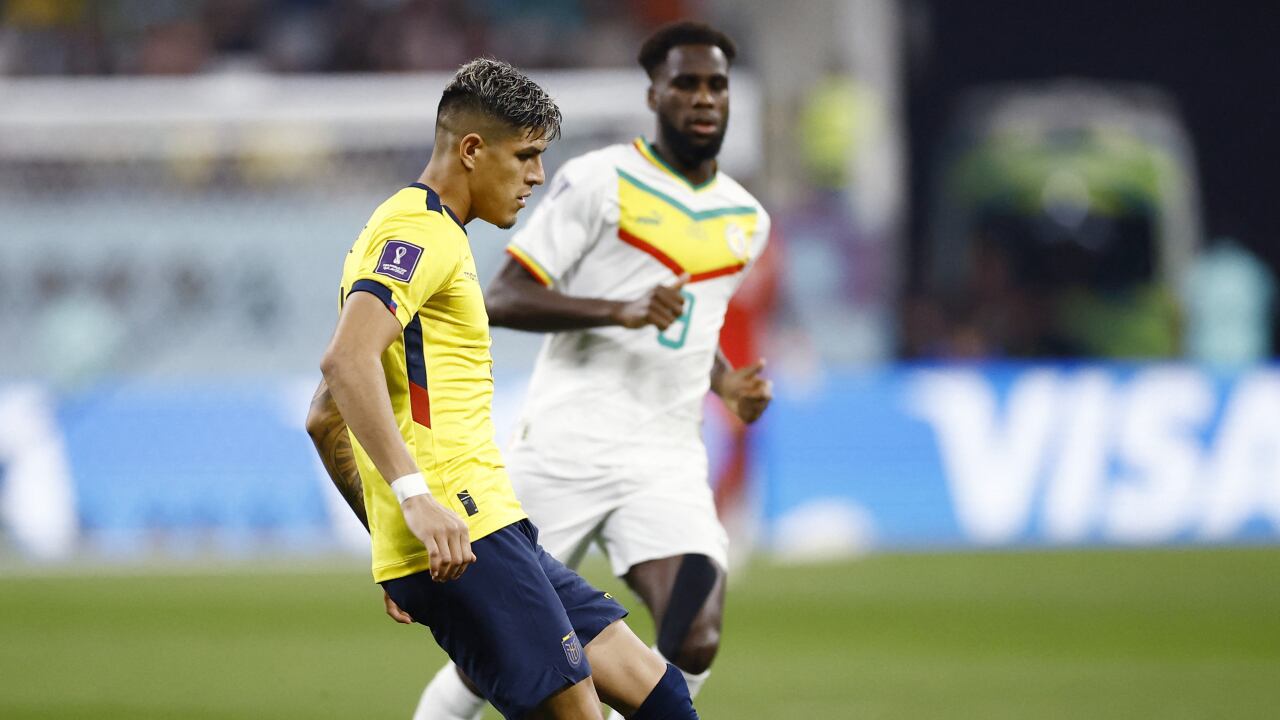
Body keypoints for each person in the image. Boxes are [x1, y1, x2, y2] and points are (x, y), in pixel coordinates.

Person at [308, 58, 699, 720]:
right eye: (525, 156)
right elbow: (345, 365)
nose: (537, 178)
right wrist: (415, 508)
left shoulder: (419, 231)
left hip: (482, 526)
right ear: (470, 150)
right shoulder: (417, 231)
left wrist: (399, 539)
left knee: (659, 694)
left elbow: (324, 419)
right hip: (466, 524)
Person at [413, 22, 773, 720]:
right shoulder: (598, 181)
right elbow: (505, 295)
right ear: (654, 94)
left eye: (717, 85)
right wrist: (621, 309)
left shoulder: (746, 219)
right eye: (687, 83)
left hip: (665, 455)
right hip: (565, 446)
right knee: (490, 657)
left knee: (696, 636)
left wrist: (724, 380)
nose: (704, 99)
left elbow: (691, 322)